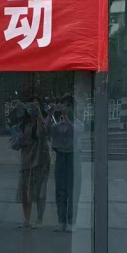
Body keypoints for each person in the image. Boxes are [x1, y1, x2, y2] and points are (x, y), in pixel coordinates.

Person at [11, 97, 51, 229]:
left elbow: (44, 130)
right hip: (26, 161)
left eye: (34, 106)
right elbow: (14, 143)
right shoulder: (23, 124)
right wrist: (19, 139)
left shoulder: (40, 122)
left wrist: (39, 112)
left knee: (39, 191)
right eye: (30, 106)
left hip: (39, 161)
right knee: (24, 191)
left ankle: (39, 219)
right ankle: (27, 219)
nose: (31, 109)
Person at [49, 95, 82, 233]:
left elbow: (75, 131)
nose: (66, 108)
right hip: (60, 157)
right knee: (60, 191)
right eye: (64, 105)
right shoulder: (58, 125)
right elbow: (46, 130)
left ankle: (71, 222)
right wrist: (50, 113)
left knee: (73, 191)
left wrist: (66, 116)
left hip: (73, 158)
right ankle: (61, 221)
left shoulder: (79, 123)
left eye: (68, 105)